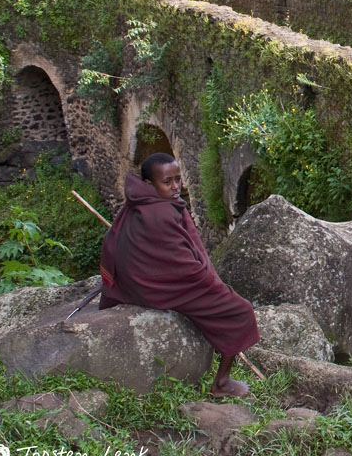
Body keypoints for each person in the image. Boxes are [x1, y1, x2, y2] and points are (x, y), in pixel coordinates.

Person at [98, 153, 259, 397]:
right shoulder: (160, 214)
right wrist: (213, 286)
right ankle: (222, 383)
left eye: (178, 180)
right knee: (240, 311)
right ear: (150, 185)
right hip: (154, 288)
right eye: (167, 182)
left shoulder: (138, 202)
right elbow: (183, 268)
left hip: (133, 285)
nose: (175, 187)